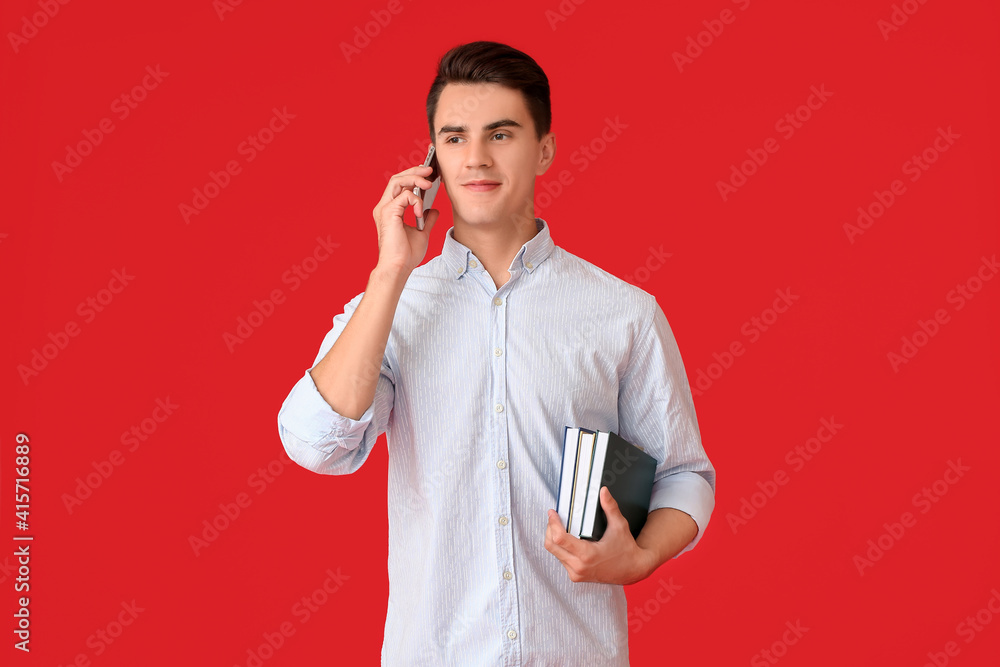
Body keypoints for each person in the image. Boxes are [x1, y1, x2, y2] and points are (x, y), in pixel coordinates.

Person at [277, 40, 715, 666]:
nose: (476, 158)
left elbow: (683, 476)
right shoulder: (395, 306)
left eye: (501, 134)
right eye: (453, 138)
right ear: (430, 159)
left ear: (545, 149)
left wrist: (640, 557)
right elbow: (317, 444)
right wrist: (390, 271)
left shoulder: (623, 312)